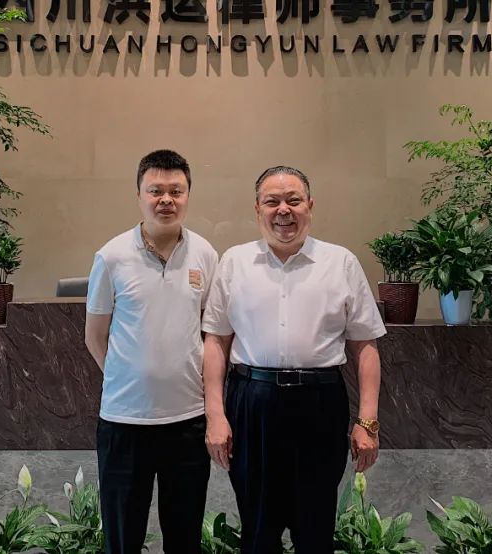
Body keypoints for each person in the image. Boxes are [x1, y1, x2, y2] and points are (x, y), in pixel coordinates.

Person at [201, 165, 386, 554]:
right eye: (272, 201)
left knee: (315, 528)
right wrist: (215, 416)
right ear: (257, 209)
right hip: (252, 404)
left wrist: (367, 422)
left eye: (293, 200)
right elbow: (216, 341)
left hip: (319, 405)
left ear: (310, 206)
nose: (283, 210)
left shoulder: (341, 263)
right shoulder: (234, 262)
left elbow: (365, 345)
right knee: (257, 529)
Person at [84, 149, 218, 554]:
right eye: (156, 191)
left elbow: (212, 333)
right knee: (123, 539)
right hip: (124, 423)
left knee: (185, 537)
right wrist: (130, 377)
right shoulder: (111, 257)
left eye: (176, 191)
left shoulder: (205, 254)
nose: (166, 200)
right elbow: (95, 336)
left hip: (188, 421)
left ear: (188, 195)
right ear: (139, 195)